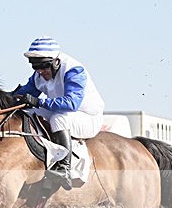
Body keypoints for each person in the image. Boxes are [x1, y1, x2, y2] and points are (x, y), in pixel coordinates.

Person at [12, 37, 105, 190]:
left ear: (56, 61)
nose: (40, 72)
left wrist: (39, 102)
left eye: (43, 67)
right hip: (61, 111)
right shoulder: (39, 75)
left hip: (87, 117)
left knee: (59, 119)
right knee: (28, 112)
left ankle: (64, 169)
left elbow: (71, 103)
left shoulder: (74, 70)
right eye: (36, 67)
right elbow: (23, 94)